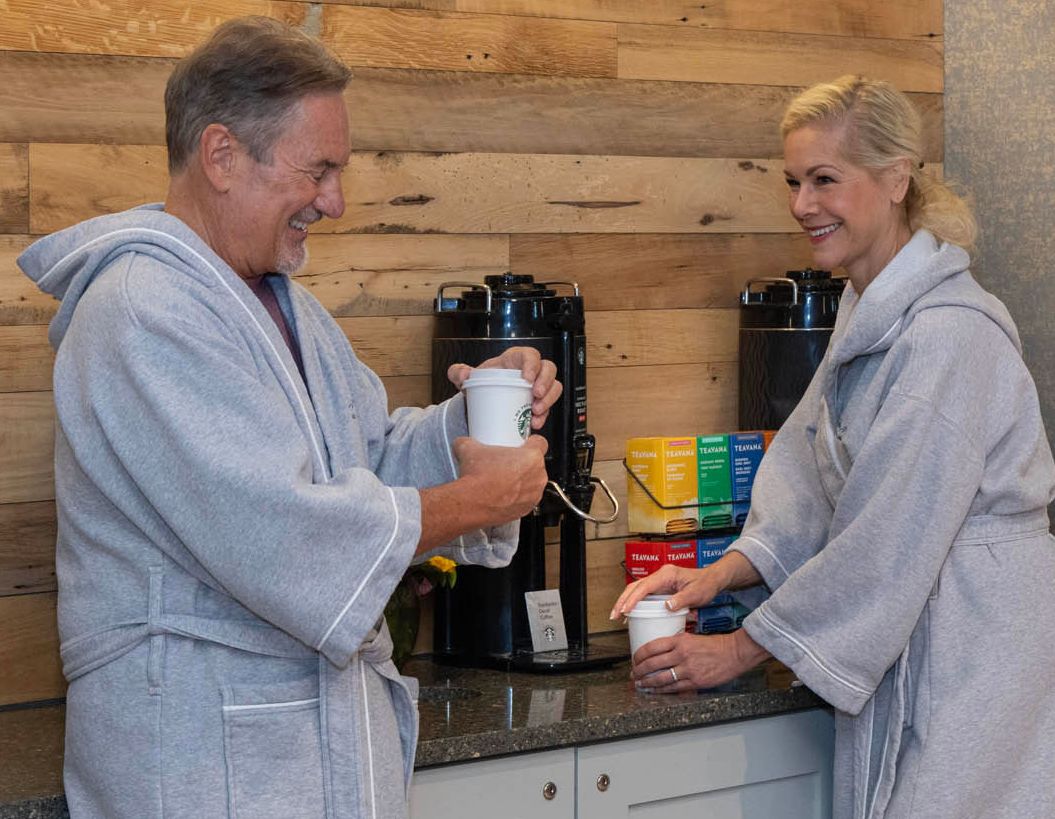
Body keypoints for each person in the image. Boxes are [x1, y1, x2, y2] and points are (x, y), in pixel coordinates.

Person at [18, 17, 561, 819]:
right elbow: (277, 528)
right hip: (201, 753)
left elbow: (367, 455)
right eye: (319, 170)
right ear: (222, 155)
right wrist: (480, 498)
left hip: (296, 751)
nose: (334, 203)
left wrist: (470, 422)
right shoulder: (143, 309)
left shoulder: (282, 306)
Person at [612, 75, 1055, 818]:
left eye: (824, 180)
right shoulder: (868, 307)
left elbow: (887, 534)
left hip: (974, 642)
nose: (800, 205)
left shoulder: (947, 333)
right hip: (913, 622)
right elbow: (809, 469)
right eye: (792, 182)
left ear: (894, 178)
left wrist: (741, 649)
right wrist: (718, 573)